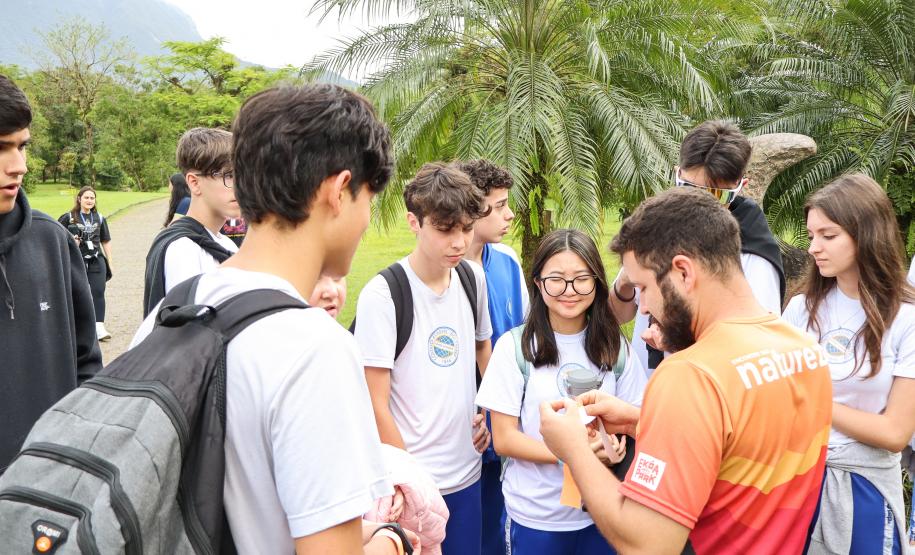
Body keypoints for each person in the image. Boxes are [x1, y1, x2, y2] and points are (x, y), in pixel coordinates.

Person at [130, 83, 417, 554]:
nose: (367, 220)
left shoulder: (170, 311)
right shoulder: (314, 348)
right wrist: (393, 542)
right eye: (369, 199)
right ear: (338, 191)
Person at [539, 187, 832, 554]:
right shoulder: (805, 350)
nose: (643, 307)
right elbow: (741, 447)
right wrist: (639, 421)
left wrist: (573, 449)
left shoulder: (689, 375)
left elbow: (647, 544)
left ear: (682, 271)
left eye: (644, 287)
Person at [476, 229, 646, 555]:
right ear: (538, 282)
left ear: (597, 282)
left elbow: (635, 421)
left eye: (581, 278)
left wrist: (610, 447)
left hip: (603, 512)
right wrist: (570, 451)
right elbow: (505, 438)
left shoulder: (617, 349)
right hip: (537, 517)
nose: (569, 290)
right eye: (556, 279)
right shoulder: (514, 348)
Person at [354, 162, 494, 555]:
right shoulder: (384, 295)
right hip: (415, 490)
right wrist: (405, 481)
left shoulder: (472, 279)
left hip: (468, 473)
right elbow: (374, 401)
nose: (458, 242)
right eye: (445, 229)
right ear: (414, 222)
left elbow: (483, 349)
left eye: (466, 229)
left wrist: (490, 410)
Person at [781, 174, 915, 554]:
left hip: (865, 486)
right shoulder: (800, 310)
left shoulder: (907, 318)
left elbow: (894, 433)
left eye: (828, 235)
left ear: (865, 233)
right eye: (810, 236)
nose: (813, 248)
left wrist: (815, 403)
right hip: (797, 484)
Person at [611, 120, 785, 377]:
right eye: (690, 188)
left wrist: (674, 339)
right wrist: (626, 283)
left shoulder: (753, 257)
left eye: (715, 195)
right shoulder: (656, 223)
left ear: (741, 188)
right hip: (647, 390)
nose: (698, 201)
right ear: (676, 173)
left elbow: (755, 348)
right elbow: (615, 314)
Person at [0, 74, 102, 472]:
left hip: (46, 493)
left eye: (22, 146)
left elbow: (87, 367)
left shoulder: (53, 243)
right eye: (1, 148)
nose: (19, 166)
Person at [460, 158, 529, 555]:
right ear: (471, 208)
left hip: (506, 423)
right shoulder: (442, 272)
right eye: (500, 205)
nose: (509, 214)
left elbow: (522, 334)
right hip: (461, 429)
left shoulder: (508, 262)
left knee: (499, 524)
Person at [142, 128, 240, 315]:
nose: (239, 187)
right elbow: (186, 331)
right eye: (229, 176)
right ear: (194, 183)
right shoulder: (183, 249)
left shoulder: (225, 244)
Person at [59, 186, 113, 341]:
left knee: (98, 291)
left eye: (92, 198)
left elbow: (105, 240)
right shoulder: (68, 217)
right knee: (77, 292)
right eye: (86, 198)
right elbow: (57, 237)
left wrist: (110, 260)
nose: (89, 200)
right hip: (76, 260)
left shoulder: (100, 218)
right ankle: (77, 327)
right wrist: (70, 242)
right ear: (79, 199)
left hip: (96, 259)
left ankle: (99, 327)